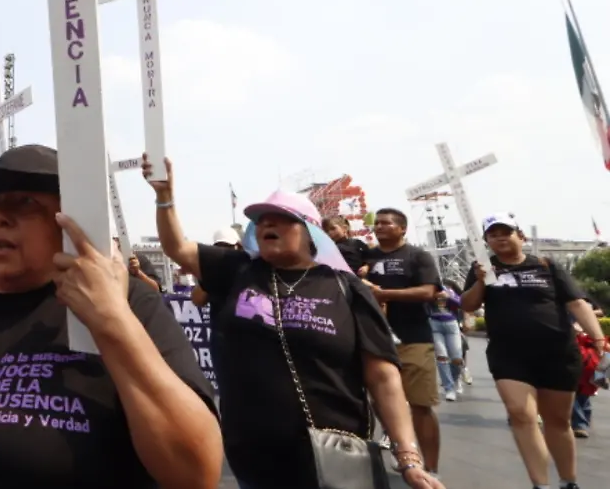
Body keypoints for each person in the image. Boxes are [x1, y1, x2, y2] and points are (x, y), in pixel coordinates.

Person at [0, 145, 223, 488]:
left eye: (25, 202)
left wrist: (112, 321)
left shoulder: (129, 303)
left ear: (69, 223)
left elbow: (195, 472)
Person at [144, 155, 441, 489]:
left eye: (282, 219)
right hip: (253, 451)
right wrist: (164, 197)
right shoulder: (238, 269)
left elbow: (383, 376)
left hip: (334, 453)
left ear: (311, 231)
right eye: (261, 220)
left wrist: (408, 456)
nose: (267, 225)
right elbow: (176, 247)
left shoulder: (346, 288)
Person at [461, 213, 604, 489]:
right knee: (520, 414)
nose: (500, 237)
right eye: (493, 234)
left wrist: (599, 341)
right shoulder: (483, 268)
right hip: (509, 355)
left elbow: (577, 304)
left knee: (558, 421)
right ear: (486, 241)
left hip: (557, 353)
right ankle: (540, 484)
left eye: (506, 232)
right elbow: (468, 305)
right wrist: (479, 280)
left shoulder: (546, 265)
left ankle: (568, 480)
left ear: (521, 236)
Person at [366, 207, 444, 476]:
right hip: (374, 341)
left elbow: (428, 291)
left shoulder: (417, 256)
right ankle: (404, 453)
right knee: (381, 404)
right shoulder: (366, 257)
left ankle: (431, 468)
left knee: (421, 406)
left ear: (402, 229)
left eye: (387, 223)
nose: (379, 227)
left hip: (414, 339)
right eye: (377, 223)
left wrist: (383, 294)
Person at [430, 281, 466, 402]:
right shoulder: (429, 291)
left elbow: (461, 303)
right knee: (442, 357)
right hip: (434, 325)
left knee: (457, 358)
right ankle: (449, 389)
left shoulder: (450, 290)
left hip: (451, 324)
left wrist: (448, 296)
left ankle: (456, 378)